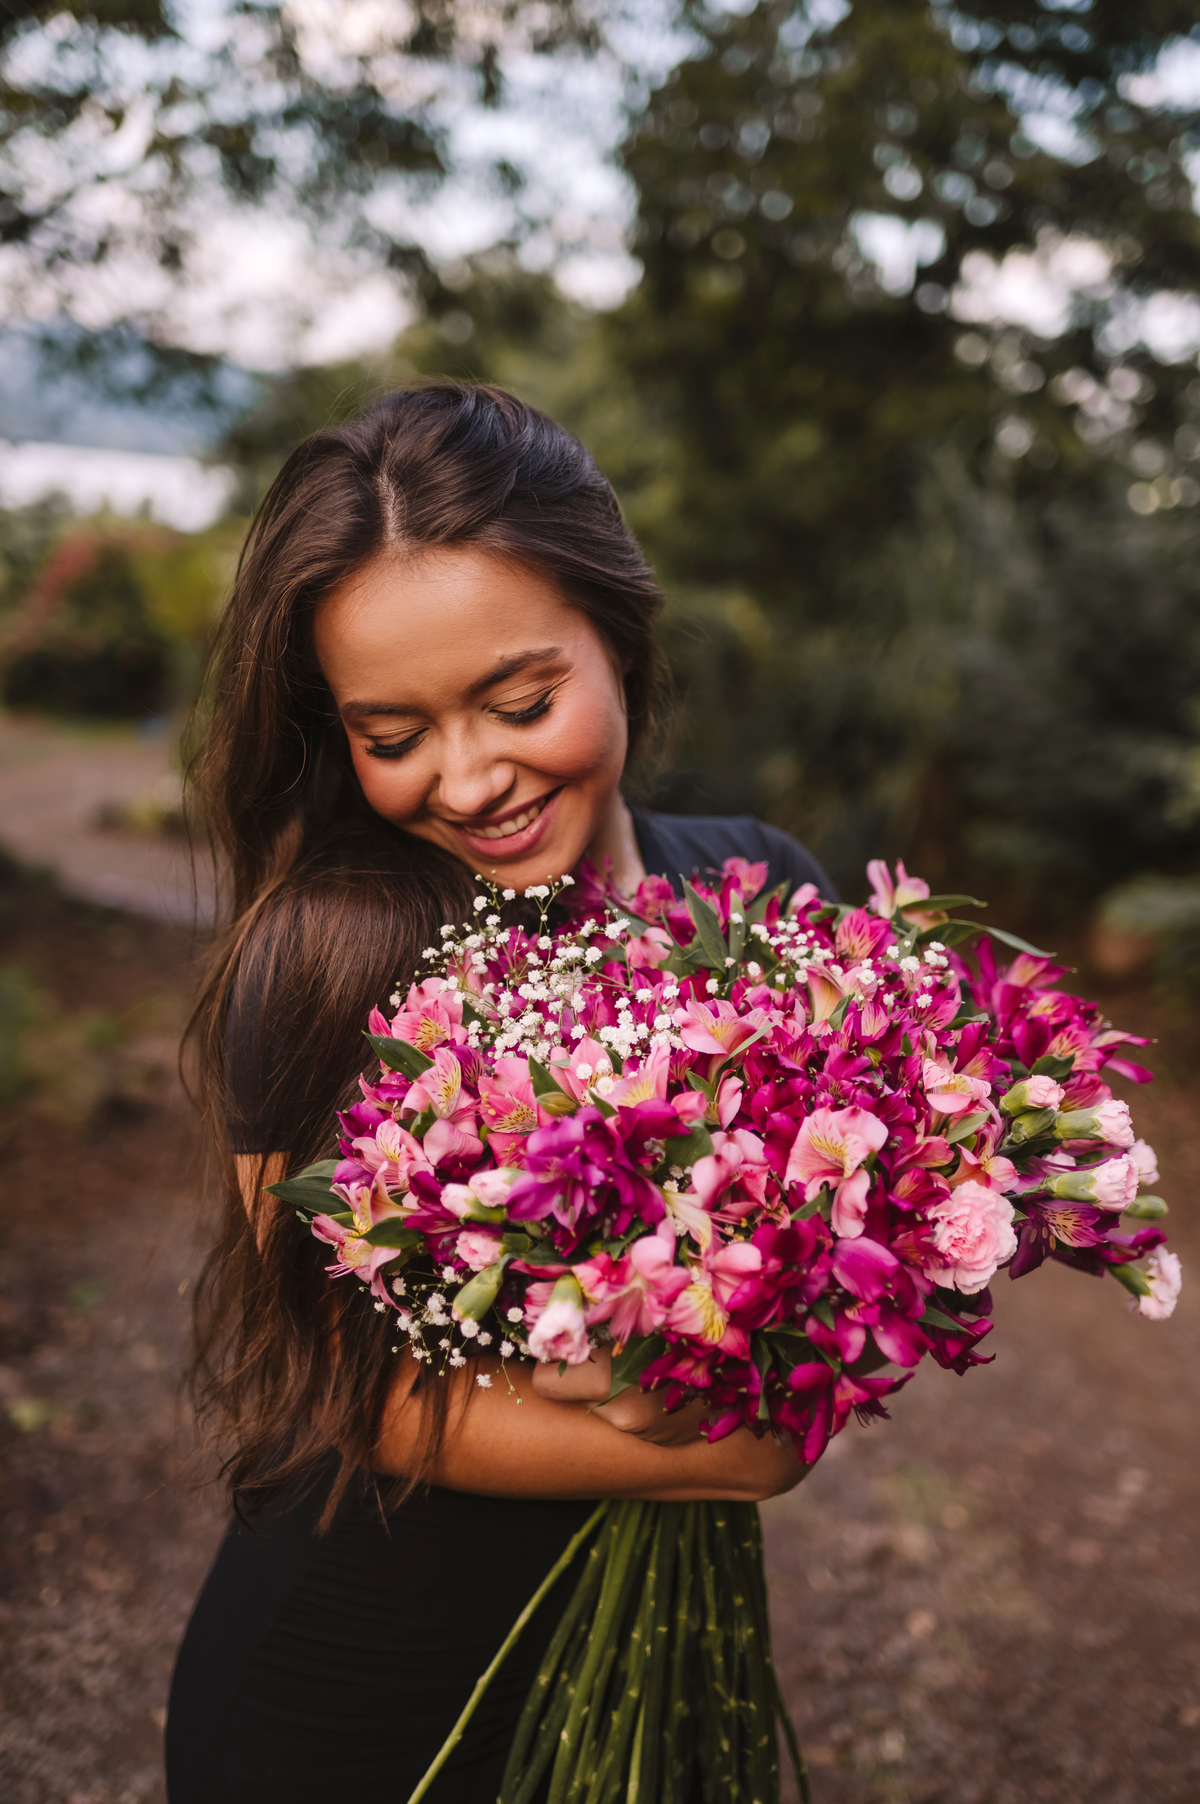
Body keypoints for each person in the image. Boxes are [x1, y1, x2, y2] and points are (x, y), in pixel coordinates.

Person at [166, 381, 836, 1803]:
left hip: (663, 1693)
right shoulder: (324, 954)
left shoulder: (773, 893)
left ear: (620, 633)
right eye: (392, 736)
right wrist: (718, 1460)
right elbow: (338, 1386)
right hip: (351, 1695)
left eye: (521, 702)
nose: (471, 779)